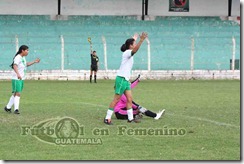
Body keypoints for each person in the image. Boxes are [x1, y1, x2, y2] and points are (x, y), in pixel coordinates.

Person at [104, 32, 148, 125]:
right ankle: (107, 118)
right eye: (134, 44)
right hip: (121, 79)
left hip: (126, 80)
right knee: (116, 99)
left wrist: (134, 39)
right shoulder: (127, 53)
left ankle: (130, 118)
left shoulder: (128, 51)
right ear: (130, 46)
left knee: (129, 99)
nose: (135, 45)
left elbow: (132, 46)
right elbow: (134, 50)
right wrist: (141, 40)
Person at [4, 45, 40, 114]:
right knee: (18, 93)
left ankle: (8, 107)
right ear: (22, 50)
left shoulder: (22, 57)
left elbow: (26, 64)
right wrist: (18, 74)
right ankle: (16, 109)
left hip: (21, 78)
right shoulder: (18, 57)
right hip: (16, 78)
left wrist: (34, 61)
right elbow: (14, 65)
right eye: (27, 50)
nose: (28, 52)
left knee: (15, 93)